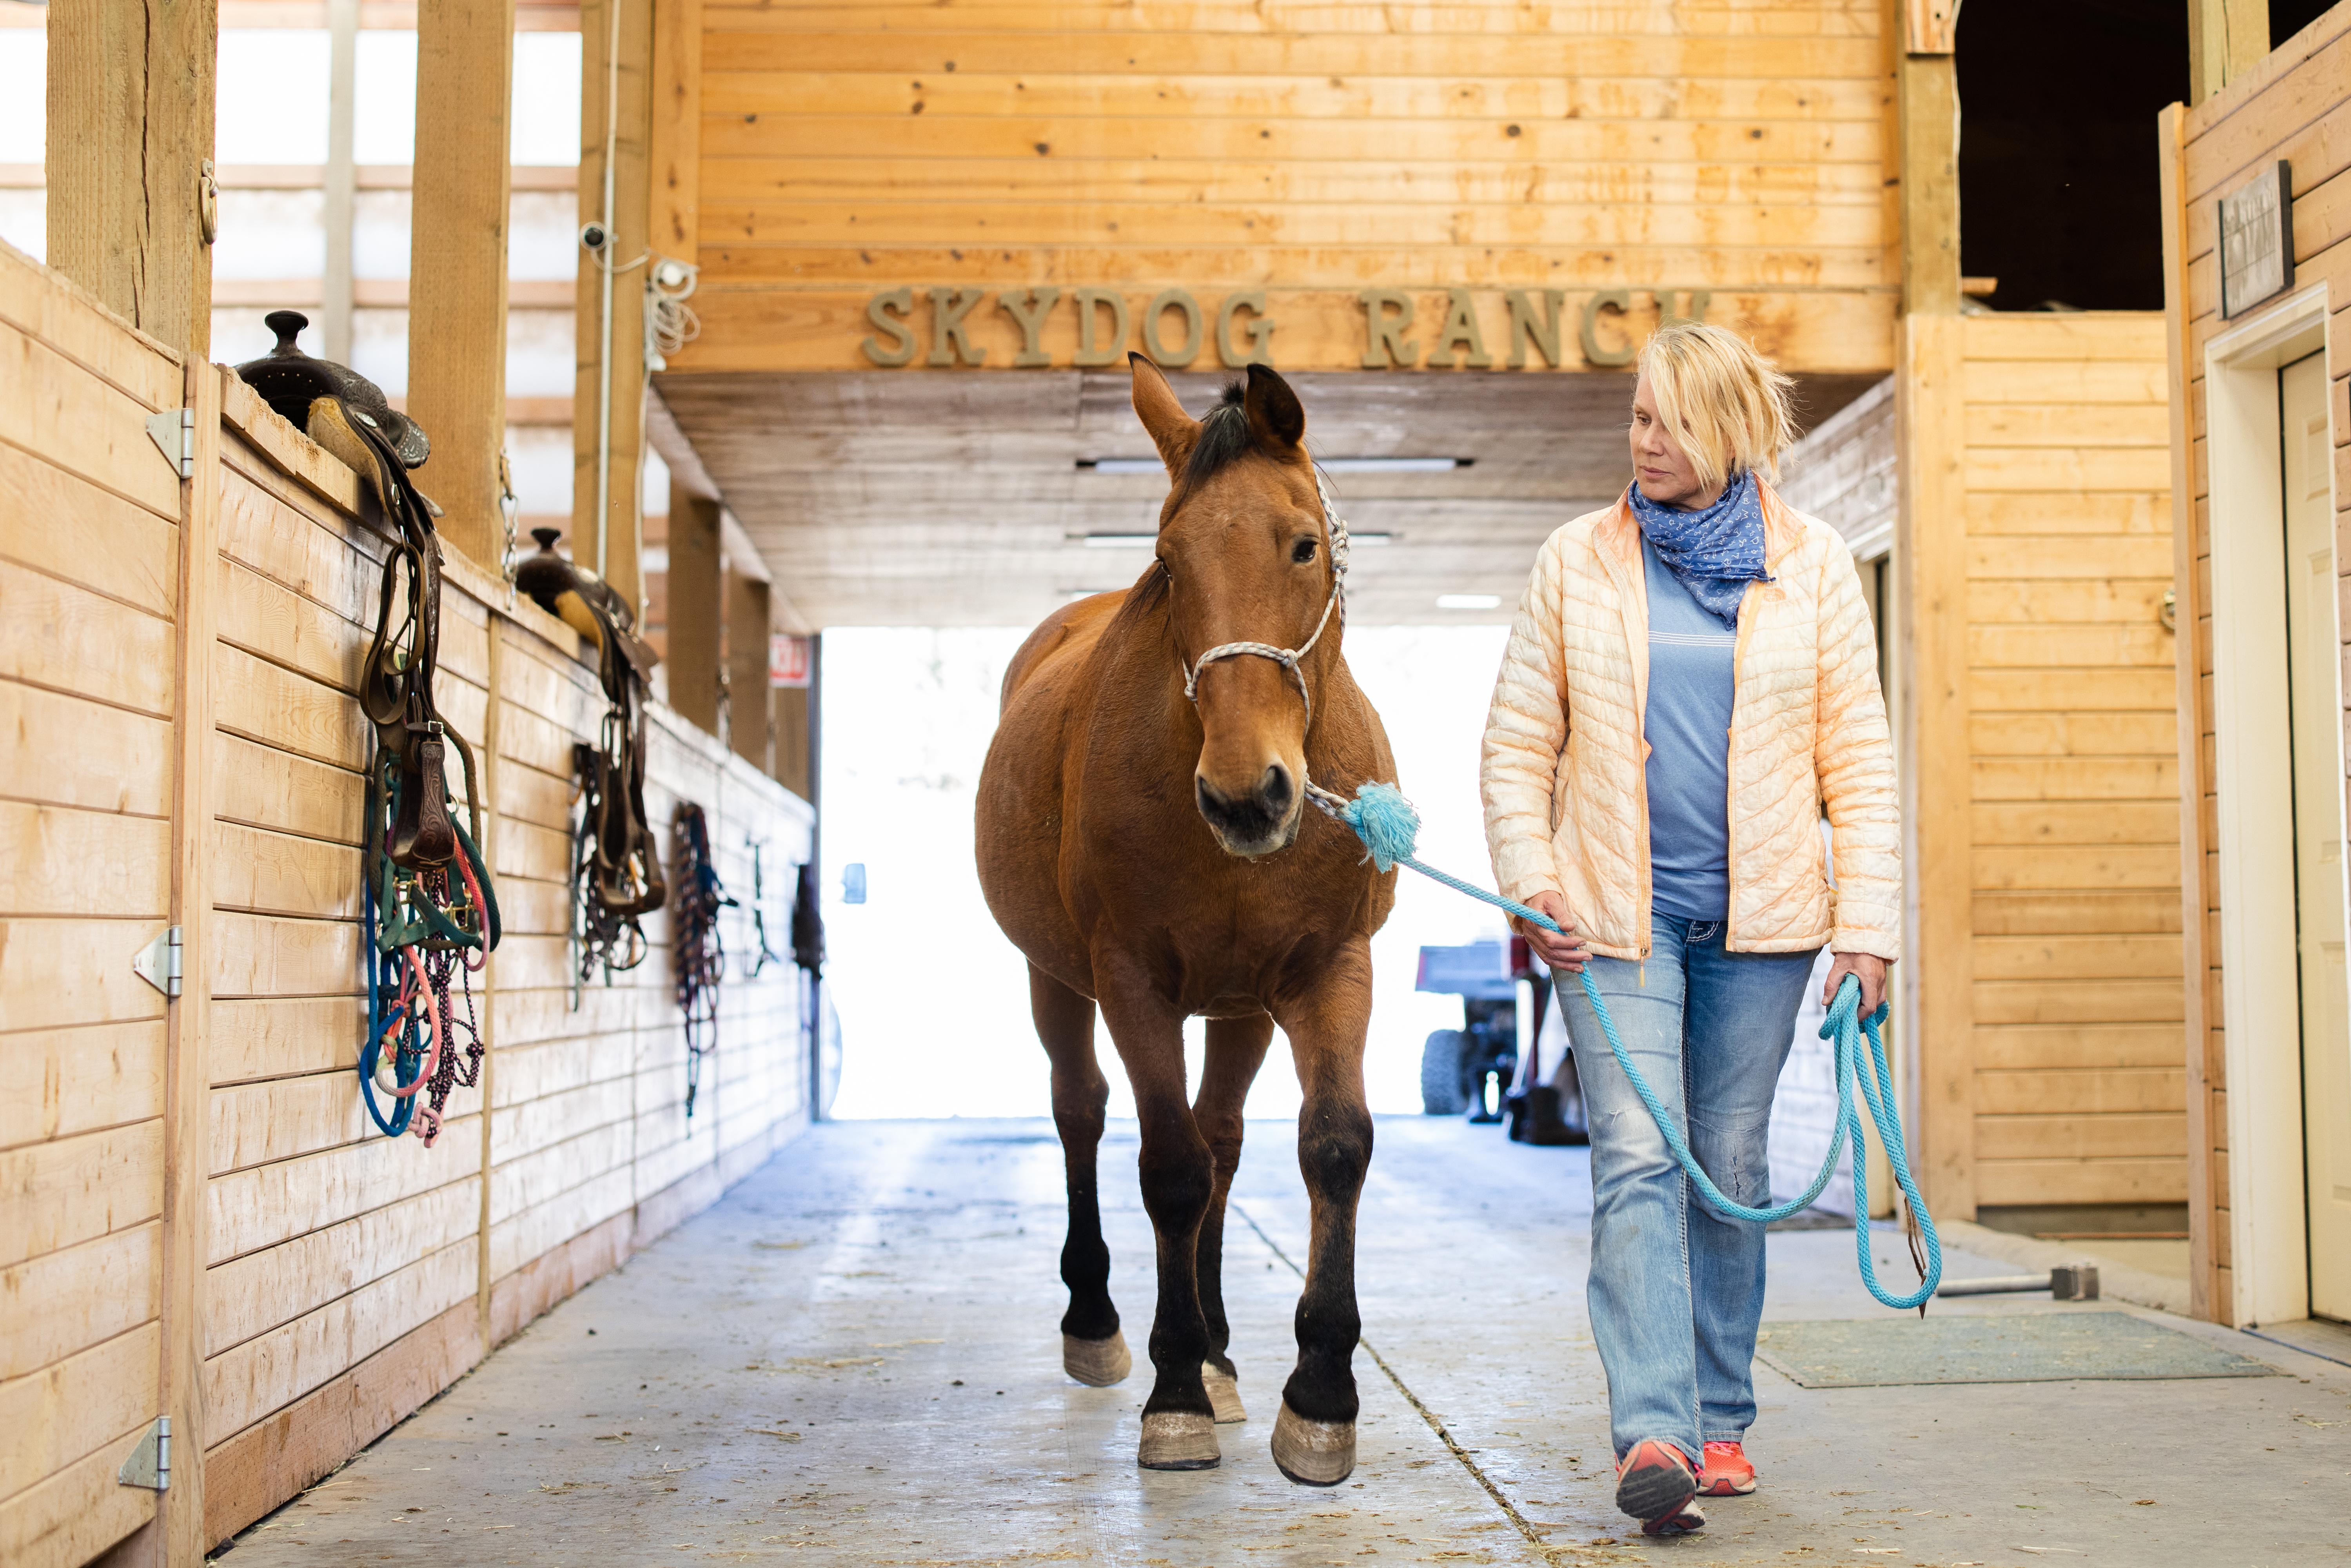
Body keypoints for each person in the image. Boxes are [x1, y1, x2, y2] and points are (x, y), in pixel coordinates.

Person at [1478, 322, 1899, 1537]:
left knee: (1731, 1167)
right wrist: (1533, 875)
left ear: (1726, 430)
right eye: (1637, 418)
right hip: (1616, 917)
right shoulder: (1578, 561)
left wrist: (1864, 931)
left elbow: (1858, 761)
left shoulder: (1811, 565)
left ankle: (1721, 1418)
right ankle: (1652, 1429)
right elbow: (1519, 745)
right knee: (1635, 1155)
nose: (1643, 441)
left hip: (1765, 926)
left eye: (1667, 421)